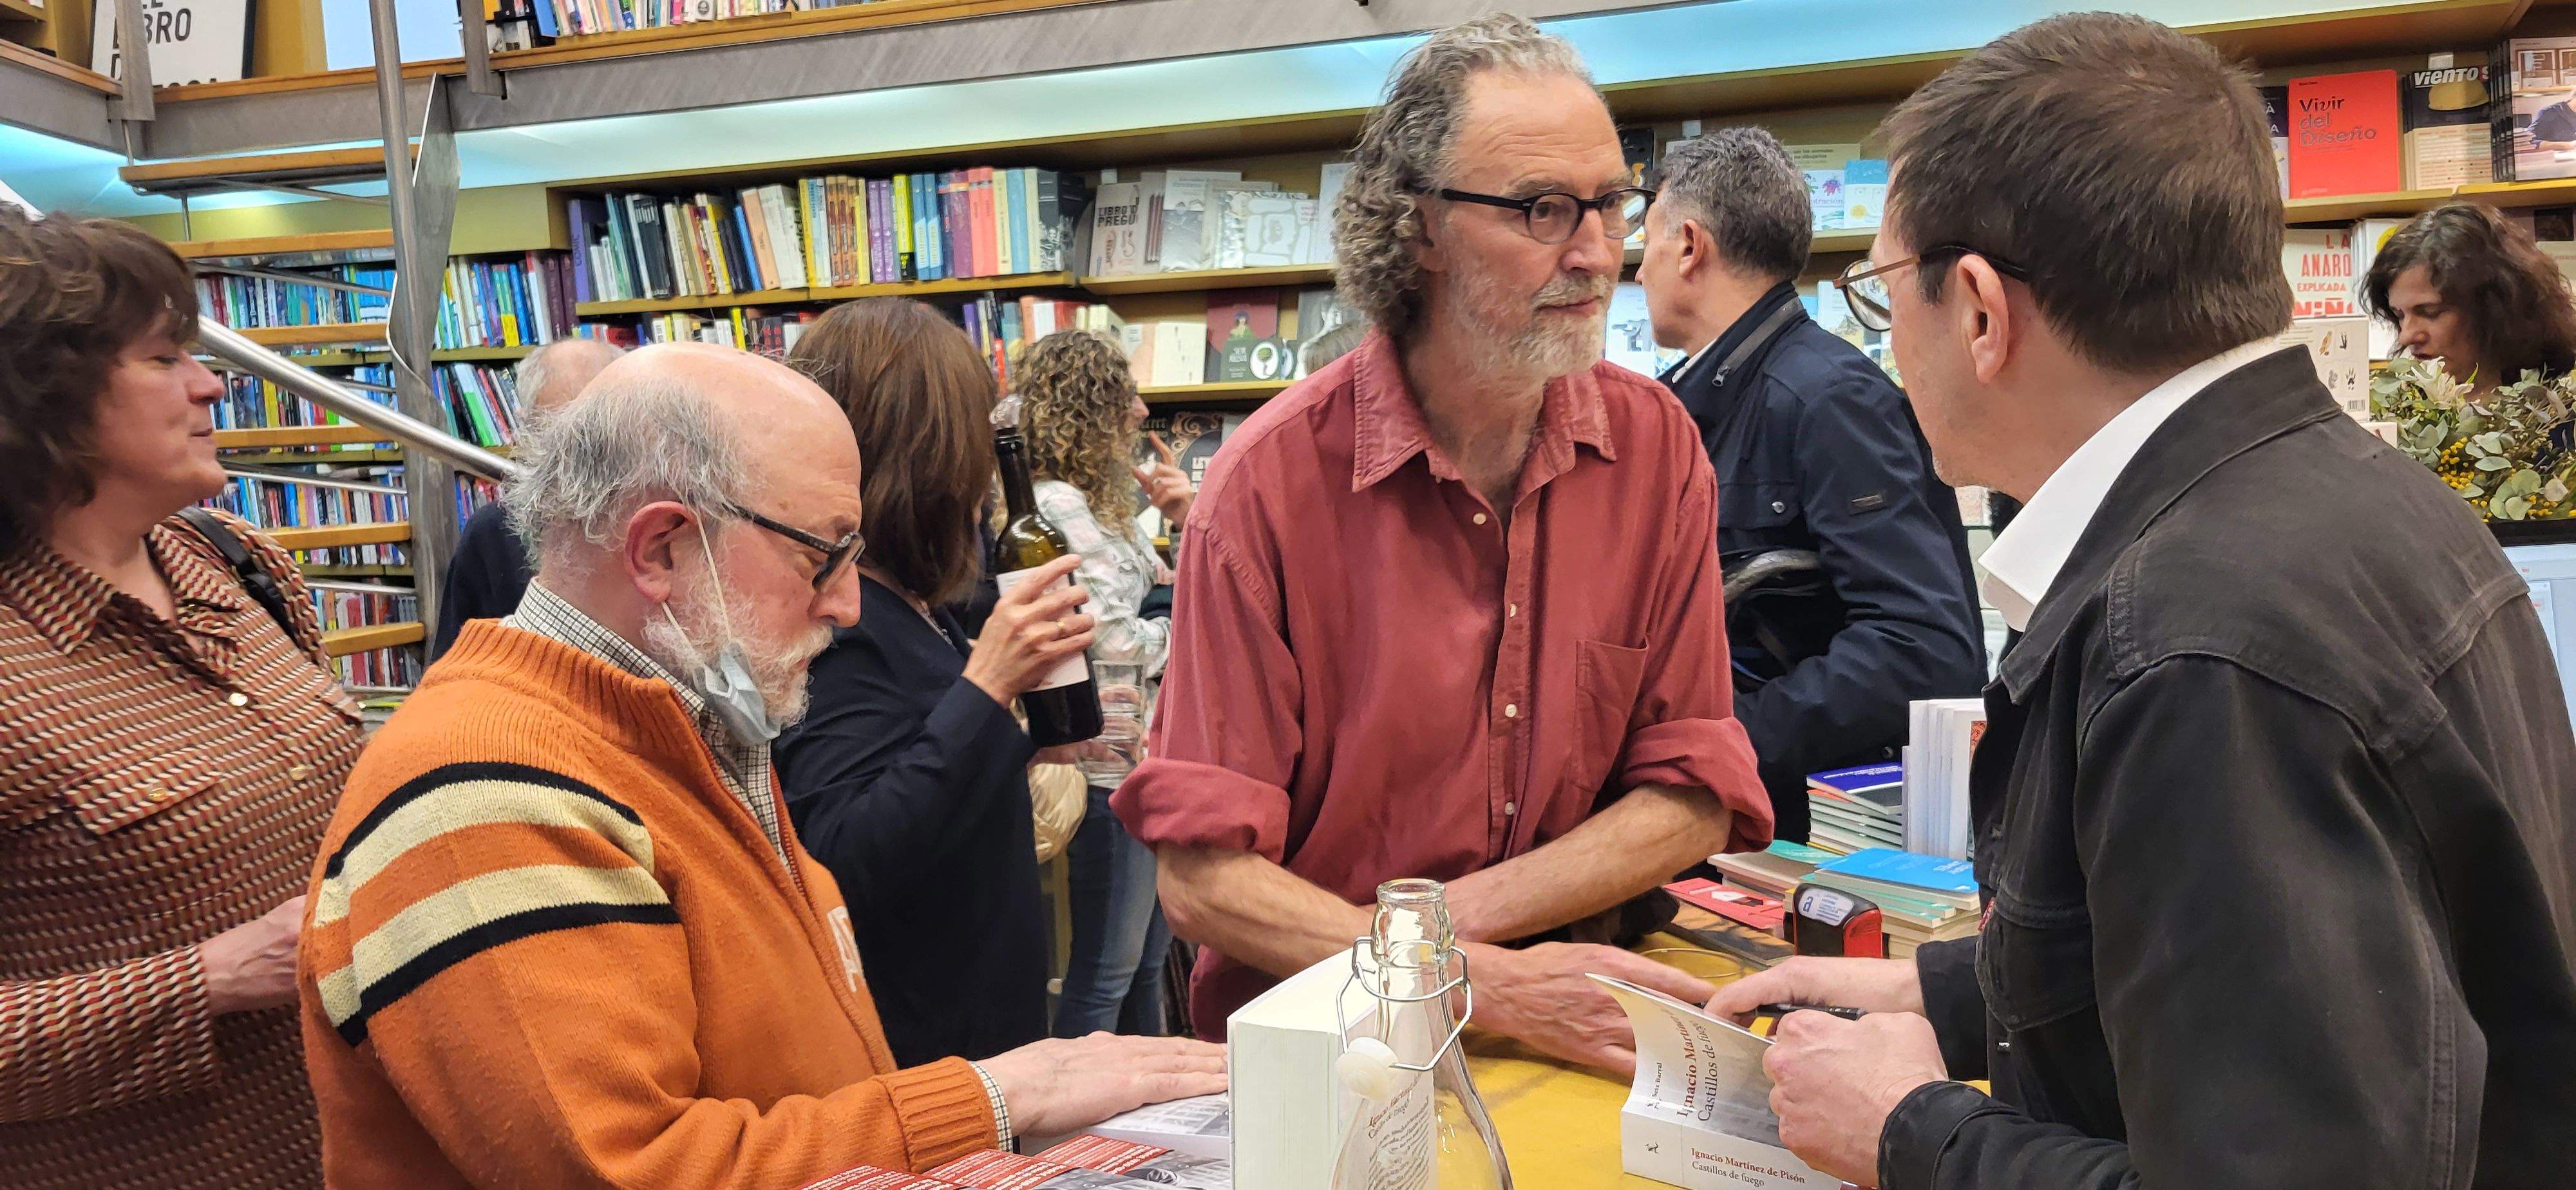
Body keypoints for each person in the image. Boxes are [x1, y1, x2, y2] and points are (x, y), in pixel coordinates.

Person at [1707, 14, 2576, 1187]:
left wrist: (1912, 1129)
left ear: (1977, 310)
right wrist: (1950, 987)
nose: (1886, 345)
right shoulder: (2351, 500)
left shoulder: (2192, 646)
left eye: (1877, 296)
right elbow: (2305, 981)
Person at [296, 341, 1226, 1186]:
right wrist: (997, 1098)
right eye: (822, 556)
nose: (849, 605)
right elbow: (635, 1171)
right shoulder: (482, 794)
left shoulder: (680, 715)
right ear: (662, 546)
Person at [1113, 14, 1774, 1073]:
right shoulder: (1268, 490)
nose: (1599, 253)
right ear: (1416, 226)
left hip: (1575, 1030)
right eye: (1542, 210)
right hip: (1329, 1052)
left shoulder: (1656, 452)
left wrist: (1434, 926)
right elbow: (1202, 876)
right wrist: (1471, 973)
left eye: (1611, 203)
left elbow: (1692, 791)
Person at [0, 209, 365, 1185]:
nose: (210, 383)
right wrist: (201, 980)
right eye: (163, 358)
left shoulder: (243, 568)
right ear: (42, 397)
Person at [1636, 127, 1985, 842]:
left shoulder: (1825, 396)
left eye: (1645, 247)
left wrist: (1723, 744)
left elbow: (1923, 646)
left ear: (1689, 246)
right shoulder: (1692, 405)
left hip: (1803, 841)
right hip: (1724, 824)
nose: (1639, 274)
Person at [774, 299, 1092, 1066]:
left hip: (985, 1033)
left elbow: (933, 772)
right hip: (928, 1058)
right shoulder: (840, 621)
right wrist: (988, 686)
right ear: (929, 458)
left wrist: (1030, 727)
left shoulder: (916, 603)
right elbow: (843, 855)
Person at [1014, 329, 1194, 1039]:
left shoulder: (1097, 506)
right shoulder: (1057, 506)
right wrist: (1184, 634)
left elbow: (1163, 596)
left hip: (1140, 755)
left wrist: (1181, 525)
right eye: (1124, 397)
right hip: (1104, 762)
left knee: (1145, 967)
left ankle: (1149, 1120)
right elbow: (1113, 639)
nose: (1141, 412)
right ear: (1089, 408)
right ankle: (1085, 1137)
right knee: (1106, 974)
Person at [430, 335, 626, 657]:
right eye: (562, 432)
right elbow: (452, 672)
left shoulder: (671, 525)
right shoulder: (494, 531)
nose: (586, 456)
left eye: (601, 430)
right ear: (528, 430)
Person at [2364, 200, 2576, 397]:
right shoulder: (2399, 411)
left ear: (2495, 308)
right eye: (2399, 315)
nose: (2406, 336)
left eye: (2431, 312)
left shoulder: (2563, 409)